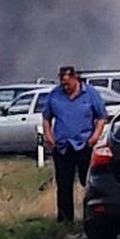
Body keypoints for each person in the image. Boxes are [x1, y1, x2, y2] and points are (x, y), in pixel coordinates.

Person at [42, 65, 108, 223]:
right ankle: (65, 219)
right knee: (64, 185)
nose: (65, 87)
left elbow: (101, 117)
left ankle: (91, 218)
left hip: (84, 146)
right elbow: (46, 117)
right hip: (62, 147)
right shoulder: (55, 95)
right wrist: (49, 135)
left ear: (75, 79)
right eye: (62, 83)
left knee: (89, 183)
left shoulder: (90, 93)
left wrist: (95, 137)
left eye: (67, 83)